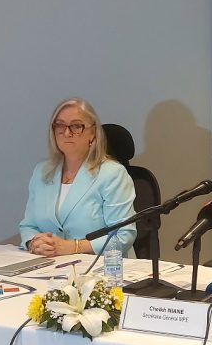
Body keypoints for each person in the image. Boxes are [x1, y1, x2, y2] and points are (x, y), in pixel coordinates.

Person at [20, 98, 136, 256]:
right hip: (49, 265)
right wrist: (33, 242)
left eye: (76, 126)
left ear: (92, 133)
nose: (67, 133)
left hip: (100, 266)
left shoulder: (112, 174)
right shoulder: (42, 171)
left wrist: (73, 247)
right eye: (60, 125)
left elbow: (123, 236)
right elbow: (28, 226)